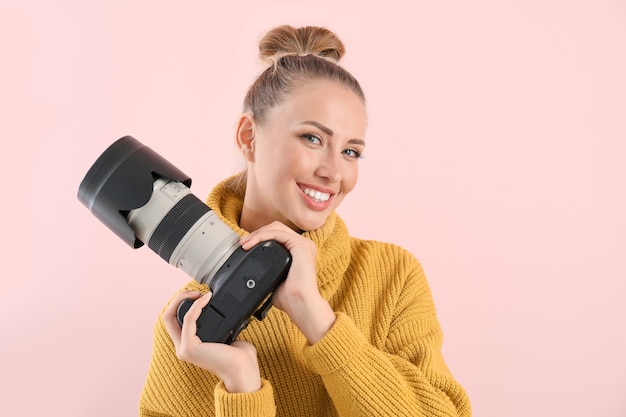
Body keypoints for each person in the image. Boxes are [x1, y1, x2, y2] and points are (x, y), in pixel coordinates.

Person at [138, 24, 471, 417]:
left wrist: (314, 315)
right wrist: (241, 386)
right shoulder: (192, 330)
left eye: (351, 152)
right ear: (249, 137)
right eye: (313, 138)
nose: (334, 171)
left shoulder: (392, 278)